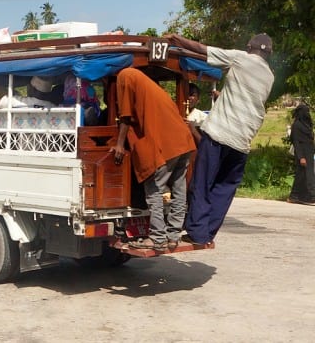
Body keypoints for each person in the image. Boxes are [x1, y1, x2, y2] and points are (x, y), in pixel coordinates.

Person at [167, 32, 275, 246]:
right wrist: (222, 95)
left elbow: (203, 49)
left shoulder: (240, 58)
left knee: (203, 182)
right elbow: (246, 96)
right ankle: (207, 234)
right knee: (224, 188)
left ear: (248, 46)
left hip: (218, 134)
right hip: (242, 141)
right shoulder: (270, 76)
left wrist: (179, 40)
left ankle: (197, 232)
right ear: (269, 54)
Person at [110, 67, 197, 251]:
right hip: (183, 140)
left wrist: (119, 144)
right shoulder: (147, 84)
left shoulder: (125, 77)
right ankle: (173, 237)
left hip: (167, 145)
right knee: (179, 189)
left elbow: (125, 116)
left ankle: (157, 238)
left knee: (154, 190)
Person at [288, 102, 315, 205]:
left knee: (302, 176)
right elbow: (296, 143)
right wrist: (301, 157)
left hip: (309, 153)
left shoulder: (307, 125)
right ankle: (310, 197)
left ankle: (295, 197)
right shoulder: (296, 125)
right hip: (302, 154)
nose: (307, 113)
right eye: (305, 111)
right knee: (307, 176)